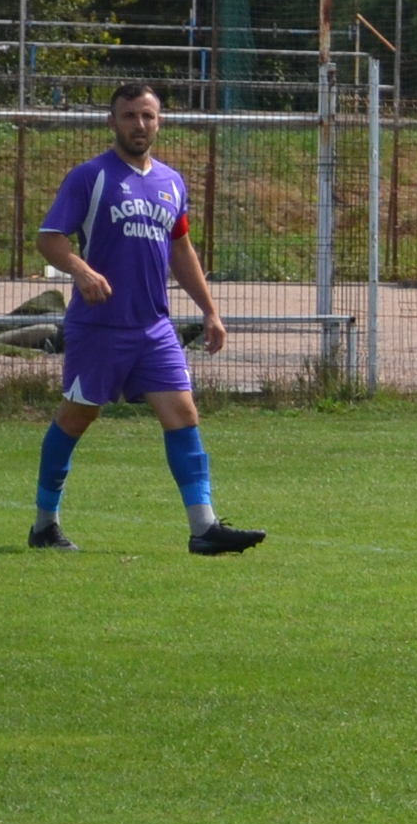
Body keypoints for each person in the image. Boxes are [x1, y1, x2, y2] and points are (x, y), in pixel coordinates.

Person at [28, 81, 261, 554]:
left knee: (183, 414)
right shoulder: (90, 176)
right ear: (112, 121)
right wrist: (81, 270)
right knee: (76, 417)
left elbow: (181, 248)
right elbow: (50, 237)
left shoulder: (172, 182)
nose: (140, 124)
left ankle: (204, 528)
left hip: (154, 327)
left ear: (160, 121)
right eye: (130, 115)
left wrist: (210, 311)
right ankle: (44, 525)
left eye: (148, 116)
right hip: (99, 326)